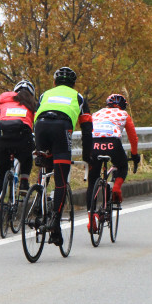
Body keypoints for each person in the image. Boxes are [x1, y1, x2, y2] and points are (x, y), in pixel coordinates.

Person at [34, 67, 93, 245]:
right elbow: (87, 130)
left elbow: (35, 117)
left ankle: (38, 198)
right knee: (61, 180)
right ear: (73, 84)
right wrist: (87, 155)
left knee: (45, 164)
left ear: (54, 83)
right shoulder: (78, 97)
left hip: (41, 127)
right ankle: (54, 221)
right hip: (61, 127)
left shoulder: (45, 94)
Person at [86, 93, 141, 232]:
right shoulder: (124, 115)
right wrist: (134, 155)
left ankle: (91, 220)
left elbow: (87, 130)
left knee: (92, 182)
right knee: (122, 166)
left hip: (94, 144)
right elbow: (133, 138)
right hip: (113, 144)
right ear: (123, 105)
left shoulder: (96, 113)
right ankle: (116, 187)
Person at [0, 80, 37, 228]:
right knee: (27, 156)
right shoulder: (31, 105)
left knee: (1, 176)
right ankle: (24, 181)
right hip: (22, 139)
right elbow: (36, 124)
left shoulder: (3, 103)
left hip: (2, 140)